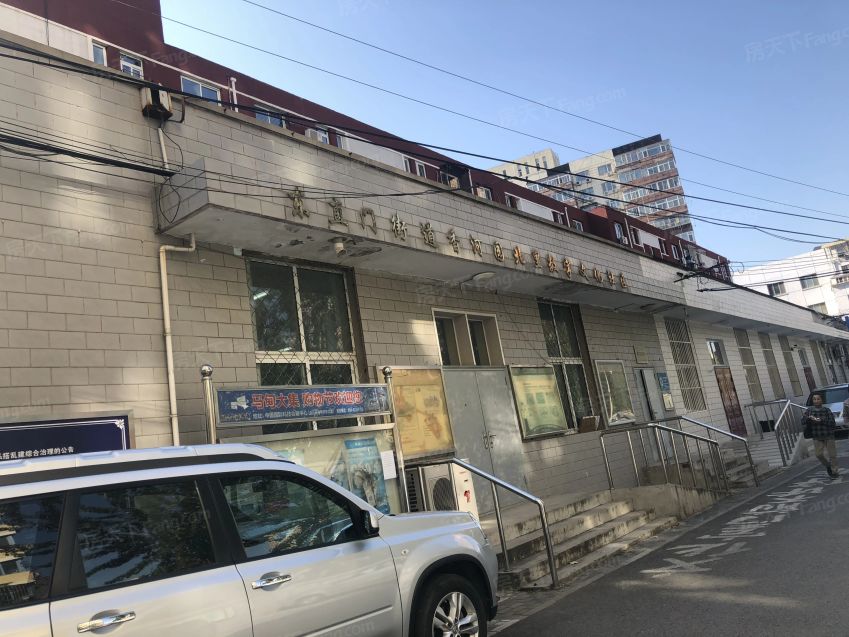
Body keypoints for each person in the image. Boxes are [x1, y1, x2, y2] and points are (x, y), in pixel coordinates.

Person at [803, 393, 839, 478]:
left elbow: (832, 423)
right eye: (814, 399)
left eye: (818, 399)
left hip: (828, 435)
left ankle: (834, 471)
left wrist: (821, 420)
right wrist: (809, 419)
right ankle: (828, 465)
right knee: (818, 454)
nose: (816, 401)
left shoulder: (826, 410)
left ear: (821, 400)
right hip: (817, 435)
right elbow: (803, 421)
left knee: (832, 455)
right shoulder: (809, 410)